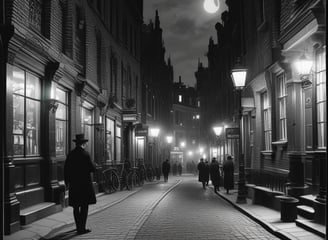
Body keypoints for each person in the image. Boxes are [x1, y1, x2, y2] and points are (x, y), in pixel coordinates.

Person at [64, 134, 96, 234]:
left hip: (74, 184)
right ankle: (82, 228)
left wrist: (67, 182)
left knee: (76, 207)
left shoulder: (71, 154)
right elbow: (92, 168)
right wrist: (94, 164)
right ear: (83, 144)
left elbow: (66, 169)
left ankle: (78, 226)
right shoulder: (86, 154)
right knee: (84, 206)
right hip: (84, 185)